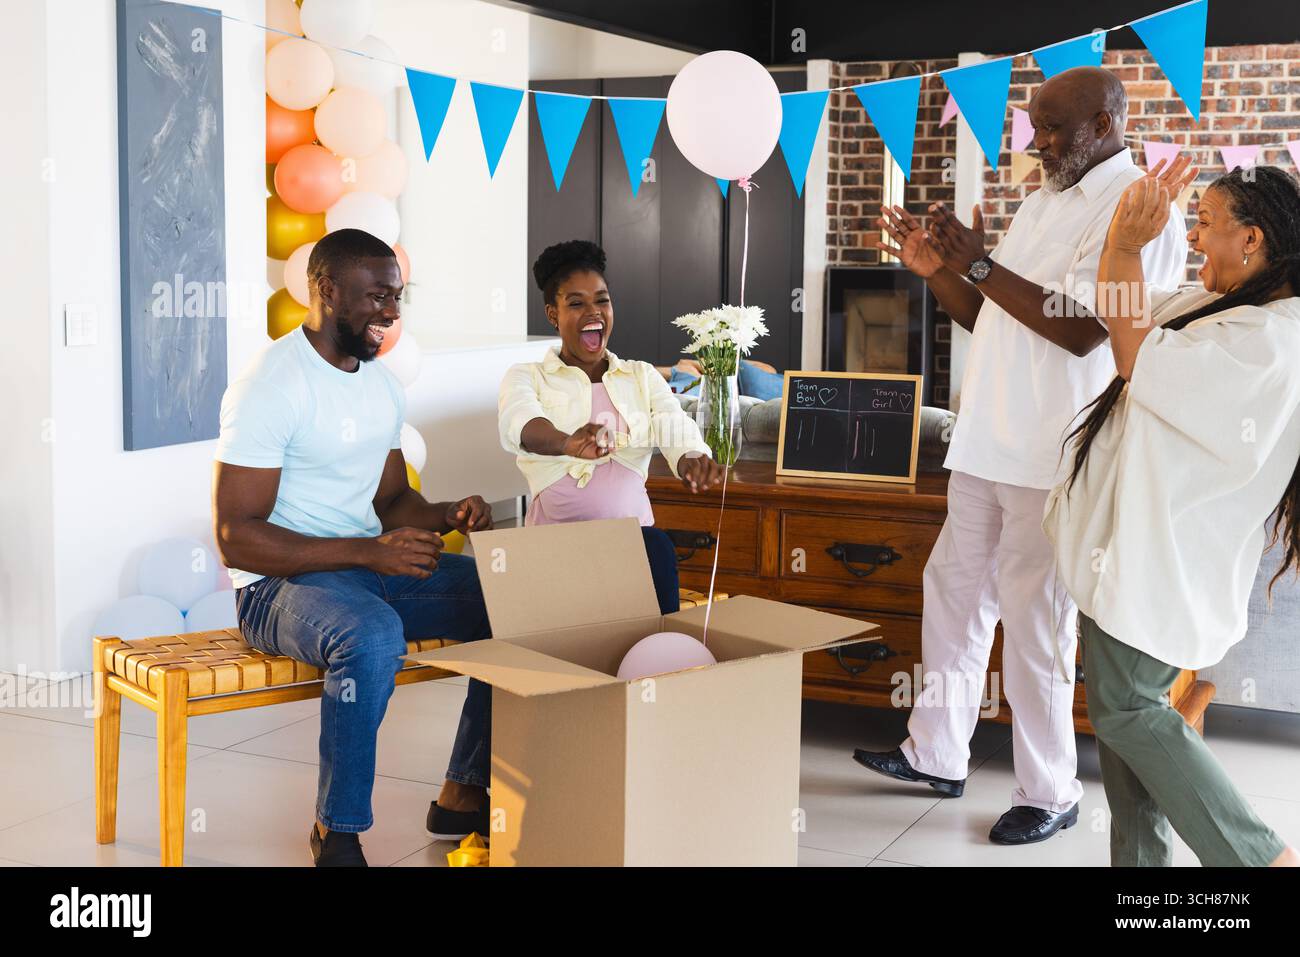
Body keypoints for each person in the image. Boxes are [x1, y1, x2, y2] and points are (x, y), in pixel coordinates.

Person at [852, 67, 1188, 845]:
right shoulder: (1045, 196)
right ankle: (935, 750)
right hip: (988, 439)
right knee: (956, 594)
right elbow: (993, 313)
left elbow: (1082, 328)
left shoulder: (1139, 206)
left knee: (1037, 623)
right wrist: (943, 273)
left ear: (1106, 122)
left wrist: (974, 263)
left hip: (1055, 447)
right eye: (1035, 125)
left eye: (1054, 127)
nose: (1037, 142)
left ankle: (1050, 789)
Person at [212, 228, 495, 867]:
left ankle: (464, 791)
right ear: (327, 290)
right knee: (370, 638)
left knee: (512, 600)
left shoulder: (380, 385)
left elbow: (392, 503)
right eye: (376, 297)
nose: (390, 313)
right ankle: (337, 832)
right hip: (276, 588)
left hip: (366, 567)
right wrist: (369, 554)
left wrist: (449, 513)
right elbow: (236, 537)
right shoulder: (271, 384)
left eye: (396, 297)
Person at [1044, 162, 1300, 867]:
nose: (1193, 237)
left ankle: (1261, 858)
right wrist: (1118, 237)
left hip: (1159, 564)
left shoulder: (1270, 340)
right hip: (1129, 555)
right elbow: (1117, 313)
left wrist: (1126, 248)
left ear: (1252, 240)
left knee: (1131, 713)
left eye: (1207, 224)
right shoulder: (1221, 307)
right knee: (1128, 748)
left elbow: (1134, 354)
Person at [499, 240, 725, 610]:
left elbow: (671, 420)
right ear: (552, 314)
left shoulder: (640, 375)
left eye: (602, 300)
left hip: (632, 545)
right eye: (576, 303)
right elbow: (520, 424)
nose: (594, 312)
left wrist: (690, 456)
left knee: (656, 549)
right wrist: (568, 442)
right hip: (553, 549)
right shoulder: (526, 376)